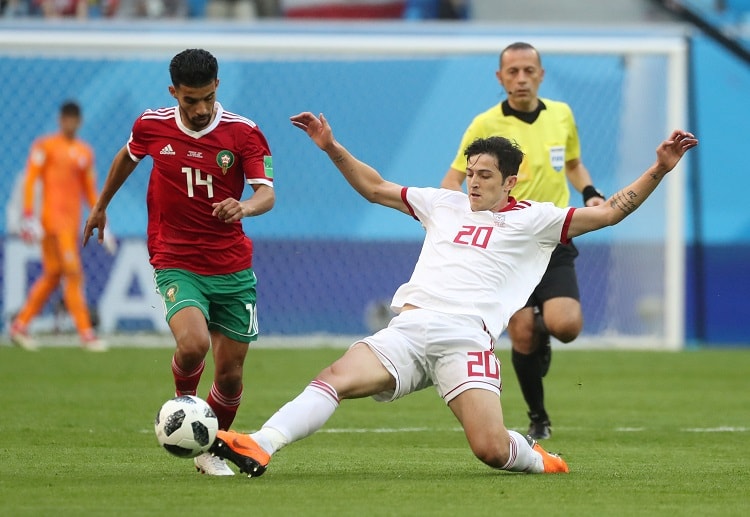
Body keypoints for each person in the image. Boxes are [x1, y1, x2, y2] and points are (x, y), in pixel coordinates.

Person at [207, 111, 697, 477]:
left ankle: (539, 460)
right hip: (409, 329)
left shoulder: (537, 219)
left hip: (466, 339)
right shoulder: (443, 203)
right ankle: (261, 443)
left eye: (486, 175)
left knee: (490, 450)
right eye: (471, 171)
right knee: (335, 377)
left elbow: (610, 212)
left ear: (510, 181)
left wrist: (659, 168)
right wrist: (331, 146)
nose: (474, 182)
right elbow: (375, 187)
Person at [83, 48, 275, 476]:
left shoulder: (244, 133)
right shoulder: (151, 125)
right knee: (192, 345)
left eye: (208, 98)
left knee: (230, 377)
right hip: (176, 258)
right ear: (174, 93)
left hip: (231, 266)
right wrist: (100, 205)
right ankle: (183, 408)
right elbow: (127, 156)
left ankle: (210, 450)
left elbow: (266, 193)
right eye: (191, 100)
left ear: (217, 87)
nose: (201, 108)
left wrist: (244, 206)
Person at [441, 41, 606, 439]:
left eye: (528, 71)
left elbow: (572, 163)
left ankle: (543, 329)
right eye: (512, 72)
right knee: (521, 331)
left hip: (551, 236)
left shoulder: (561, 114)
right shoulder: (484, 124)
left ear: (541, 75)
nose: (521, 79)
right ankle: (539, 417)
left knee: (565, 325)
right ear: (500, 78)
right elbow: (453, 180)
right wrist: (456, 218)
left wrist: (589, 192)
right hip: (506, 246)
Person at [9, 101, 110, 352]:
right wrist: (28, 214)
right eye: (66, 119)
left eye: (73, 119)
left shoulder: (84, 152)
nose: (69, 124)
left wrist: (102, 219)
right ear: (60, 120)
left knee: (53, 274)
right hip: (52, 223)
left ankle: (19, 326)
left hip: (70, 225)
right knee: (73, 273)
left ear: (79, 122)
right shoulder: (45, 146)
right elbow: (31, 179)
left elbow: (89, 190)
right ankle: (86, 334)